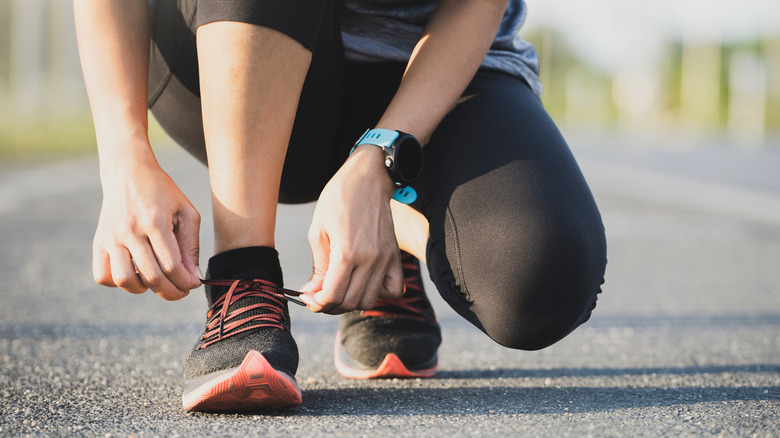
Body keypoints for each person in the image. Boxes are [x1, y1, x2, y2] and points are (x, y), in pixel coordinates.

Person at [74, 0, 607, 413]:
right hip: (232, 42)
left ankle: (383, 235)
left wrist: (381, 158)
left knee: (541, 279)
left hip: (433, 74)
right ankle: (244, 278)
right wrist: (124, 157)